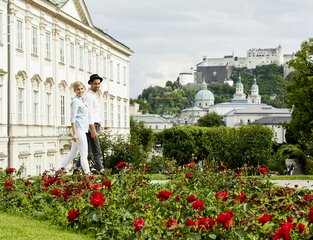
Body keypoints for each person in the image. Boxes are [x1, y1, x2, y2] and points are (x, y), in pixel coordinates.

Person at [74, 74, 105, 174]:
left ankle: (77, 168)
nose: (97, 85)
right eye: (95, 83)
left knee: (87, 149)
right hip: (92, 125)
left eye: (98, 84)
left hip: (94, 124)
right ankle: (101, 169)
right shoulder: (89, 96)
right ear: (90, 83)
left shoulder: (93, 95)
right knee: (96, 149)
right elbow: (89, 114)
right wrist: (93, 130)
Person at [60, 81, 91, 174]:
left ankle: (57, 172)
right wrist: (74, 134)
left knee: (72, 154)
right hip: (78, 131)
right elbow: (72, 119)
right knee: (84, 154)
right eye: (78, 89)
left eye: (82, 89)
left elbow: (83, 117)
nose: (80, 91)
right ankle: (89, 176)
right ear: (74, 90)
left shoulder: (82, 100)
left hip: (82, 130)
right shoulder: (75, 102)